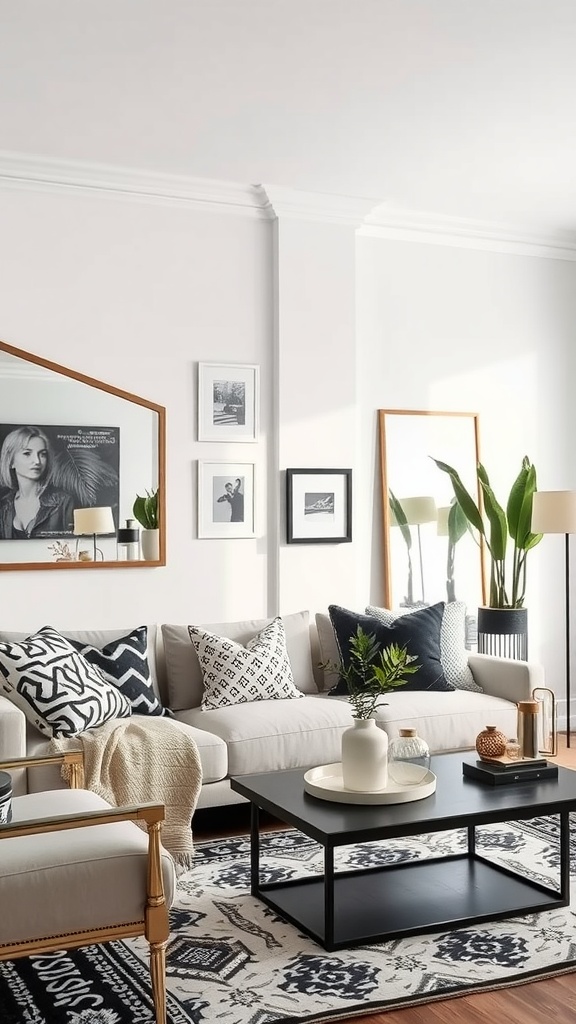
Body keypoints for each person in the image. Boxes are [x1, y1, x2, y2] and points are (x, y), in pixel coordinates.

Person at [0, 426, 75, 539]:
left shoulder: (63, 502)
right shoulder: (4, 505)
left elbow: (73, 546)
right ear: (11, 462)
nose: (37, 461)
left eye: (42, 454)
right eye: (27, 453)